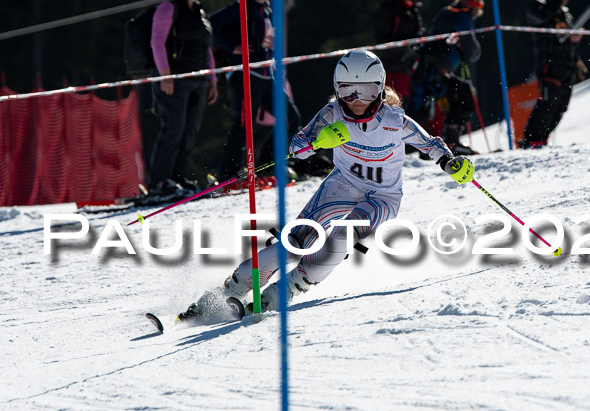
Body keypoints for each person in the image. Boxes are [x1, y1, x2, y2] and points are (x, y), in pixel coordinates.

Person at [178, 49, 475, 318]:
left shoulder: (393, 120)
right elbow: (297, 146)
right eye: (348, 91)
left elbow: (430, 143)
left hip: (383, 197)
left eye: (367, 91)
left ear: (381, 89)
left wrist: (450, 162)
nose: (357, 101)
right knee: (293, 244)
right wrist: (320, 141)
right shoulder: (332, 114)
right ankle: (227, 291)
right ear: (337, 89)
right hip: (342, 184)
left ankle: (285, 291)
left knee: (340, 239)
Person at [210, 0, 301, 181]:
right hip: (246, 75)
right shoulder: (240, 7)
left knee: (290, 119)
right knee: (243, 127)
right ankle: (226, 177)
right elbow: (212, 23)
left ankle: (267, 167)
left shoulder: (268, 9)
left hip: (267, 75)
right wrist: (232, 47)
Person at [148, 0, 218, 200]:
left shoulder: (199, 11)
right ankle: (159, 182)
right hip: (176, 80)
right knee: (173, 130)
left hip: (199, 81)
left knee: (189, 132)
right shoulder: (168, 9)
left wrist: (213, 79)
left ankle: (178, 178)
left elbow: (206, 48)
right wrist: (165, 75)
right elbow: (156, 42)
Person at [410, 0, 485, 154]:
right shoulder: (462, 16)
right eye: (471, 1)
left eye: (478, 4)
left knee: (425, 105)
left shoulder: (447, 12)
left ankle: (447, 143)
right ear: (462, 0)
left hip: (429, 67)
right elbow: (473, 52)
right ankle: (451, 143)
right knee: (464, 95)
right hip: (434, 70)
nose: (473, 7)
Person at [519, 0, 587, 149]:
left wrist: (576, 55)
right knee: (549, 101)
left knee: (561, 105)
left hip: (567, 66)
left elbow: (567, 39)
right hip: (549, 64)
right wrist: (556, 0)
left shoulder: (565, 14)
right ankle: (531, 140)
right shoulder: (539, 6)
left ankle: (542, 139)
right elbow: (539, 17)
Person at [373, 0, 426, 103]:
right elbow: (380, 40)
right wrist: (404, 50)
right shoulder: (387, 10)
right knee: (391, 105)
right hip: (391, 68)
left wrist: (416, 48)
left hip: (410, 68)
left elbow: (419, 33)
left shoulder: (413, 8)